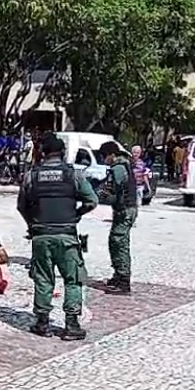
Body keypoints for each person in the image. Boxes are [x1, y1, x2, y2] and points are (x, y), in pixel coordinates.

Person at [17, 134, 98, 341]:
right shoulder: (73, 175)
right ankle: (71, 325)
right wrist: (76, 215)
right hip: (67, 235)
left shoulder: (32, 175)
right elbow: (92, 201)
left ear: (42, 153)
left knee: (43, 277)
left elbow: (22, 205)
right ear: (62, 153)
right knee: (73, 279)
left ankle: (42, 323)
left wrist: (32, 224)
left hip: (41, 235)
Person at [98, 141, 138, 294]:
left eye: (104, 156)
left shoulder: (119, 168)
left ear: (112, 155)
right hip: (125, 209)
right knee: (117, 241)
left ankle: (123, 281)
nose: (103, 160)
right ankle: (118, 274)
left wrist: (96, 197)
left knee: (119, 242)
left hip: (125, 209)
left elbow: (111, 189)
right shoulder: (122, 165)